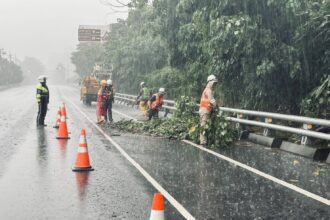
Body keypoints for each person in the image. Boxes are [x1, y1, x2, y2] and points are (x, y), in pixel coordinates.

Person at [199, 74, 218, 146]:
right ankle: (203, 141)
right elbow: (211, 100)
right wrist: (216, 106)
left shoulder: (208, 90)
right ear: (209, 82)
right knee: (203, 126)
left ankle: (205, 140)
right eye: (213, 83)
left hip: (206, 111)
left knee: (205, 126)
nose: (214, 85)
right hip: (205, 111)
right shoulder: (208, 90)